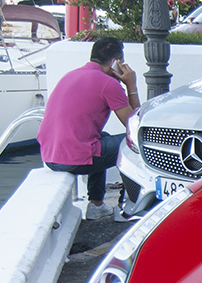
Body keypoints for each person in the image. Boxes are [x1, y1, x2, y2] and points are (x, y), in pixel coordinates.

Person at [38, 36, 138, 220]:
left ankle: (96, 204)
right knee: (131, 144)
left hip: (49, 156)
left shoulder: (71, 74)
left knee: (102, 138)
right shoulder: (108, 83)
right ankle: (127, 207)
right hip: (74, 159)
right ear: (116, 62)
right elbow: (134, 125)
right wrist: (131, 85)